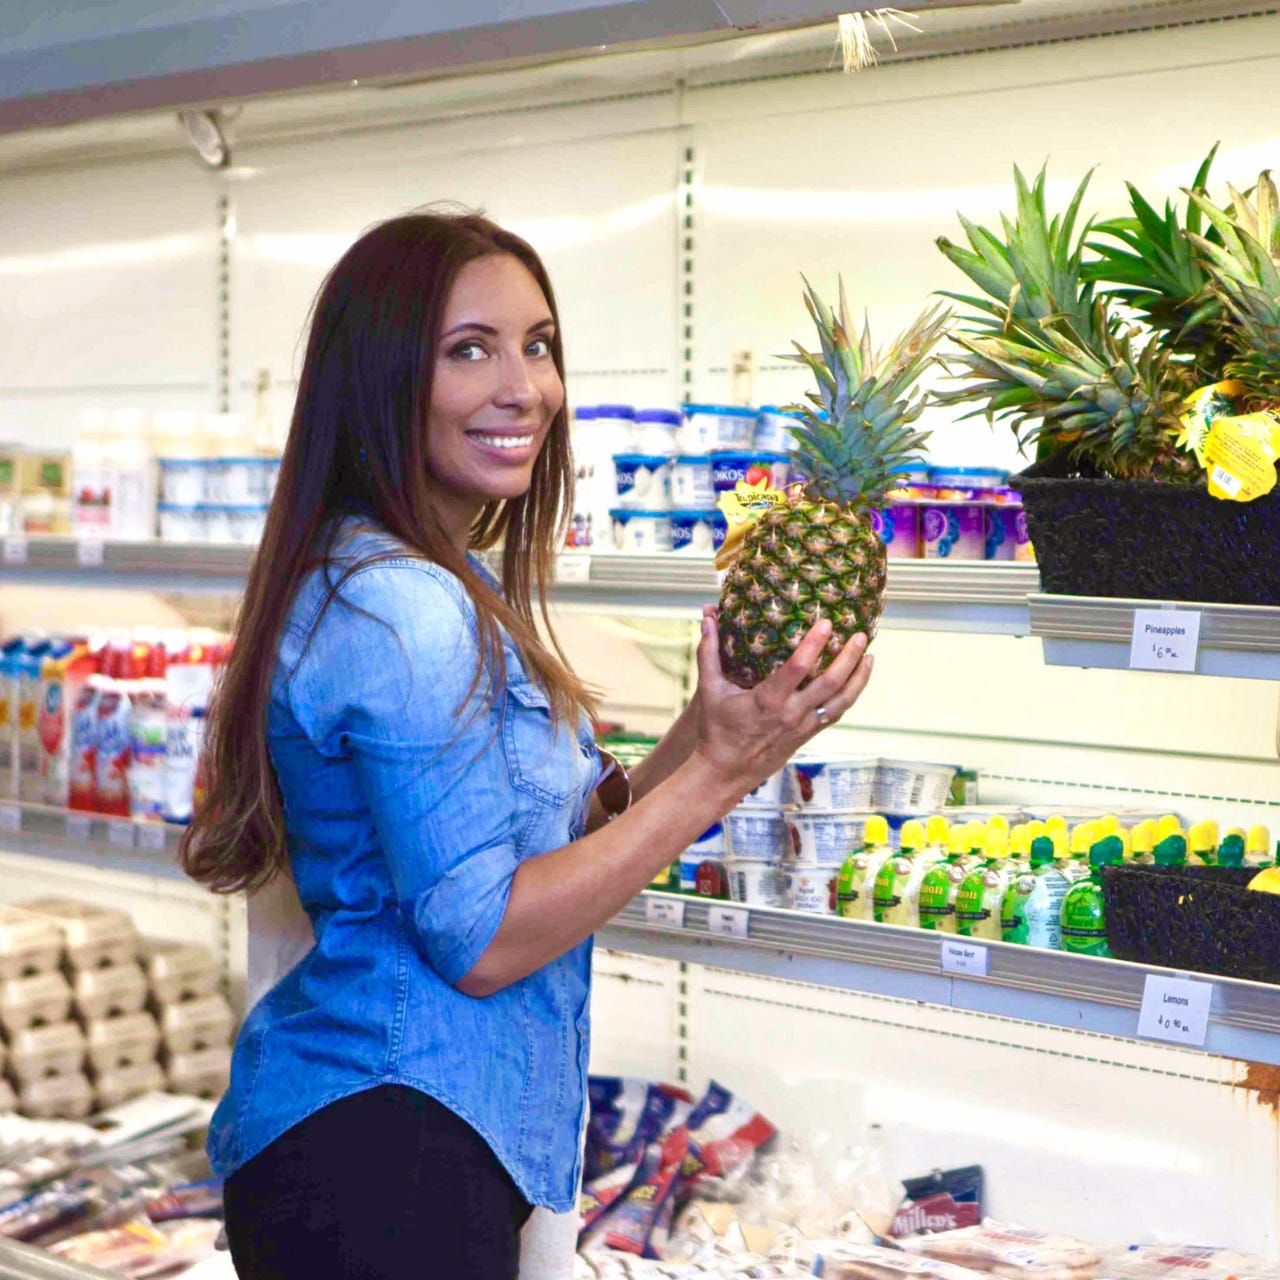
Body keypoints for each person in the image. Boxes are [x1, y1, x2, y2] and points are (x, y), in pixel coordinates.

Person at [180, 209, 875, 1280]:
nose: (525, 388)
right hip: (383, 1153)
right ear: (380, 381)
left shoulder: (437, 577)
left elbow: (549, 833)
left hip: (397, 1135)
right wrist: (722, 773)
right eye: (470, 350)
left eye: (538, 345)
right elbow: (484, 939)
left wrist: (714, 726)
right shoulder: (406, 608)